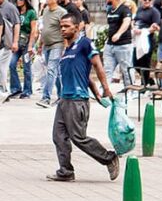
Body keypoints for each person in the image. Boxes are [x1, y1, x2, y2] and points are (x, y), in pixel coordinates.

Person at [48, 13, 121, 182]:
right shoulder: (66, 50)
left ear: (77, 27)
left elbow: (97, 65)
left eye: (66, 26)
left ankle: (109, 158)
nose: (63, 29)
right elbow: (85, 76)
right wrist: (95, 92)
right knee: (58, 136)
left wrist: (106, 88)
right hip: (64, 100)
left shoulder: (84, 44)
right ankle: (66, 171)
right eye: (61, 26)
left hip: (77, 100)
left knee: (78, 137)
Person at [36, 0, 66, 108]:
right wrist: (40, 44)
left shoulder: (62, 12)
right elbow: (44, 28)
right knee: (56, 73)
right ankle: (62, 96)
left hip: (57, 44)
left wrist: (65, 47)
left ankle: (46, 98)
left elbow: (65, 30)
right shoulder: (46, 10)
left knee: (51, 70)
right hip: (47, 45)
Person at [101, 0, 133, 89]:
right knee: (107, 69)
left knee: (126, 69)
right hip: (110, 45)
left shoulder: (125, 9)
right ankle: (104, 90)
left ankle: (130, 90)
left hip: (123, 45)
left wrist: (119, 34)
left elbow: (127, 22)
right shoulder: (110, 10)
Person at [8, 0, 37, 99]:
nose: (18, 0)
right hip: (17, 42)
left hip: (27, 43)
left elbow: (33, 30)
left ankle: (27, 90)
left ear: (25, 0)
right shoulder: (16, 12)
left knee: (26, 68)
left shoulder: (31, 13)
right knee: (11, 64)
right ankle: (15, 89)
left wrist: (30, 46)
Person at [0, 0, 20, 97]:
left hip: (6, 43)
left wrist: (15, 42)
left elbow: (16, 24)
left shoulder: (10, 7)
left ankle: (3, 91)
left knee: (1, 68)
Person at [132, 0, 162, 84]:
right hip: (137, 39)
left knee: (145, 62)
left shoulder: (154, 12)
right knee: (135, 62)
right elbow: (134, 21)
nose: (147, 1)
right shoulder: (139, 9)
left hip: (147, 39)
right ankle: (148, 80)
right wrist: (133, 28)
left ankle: (144, 84)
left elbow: (155, 26)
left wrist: (144, 31)